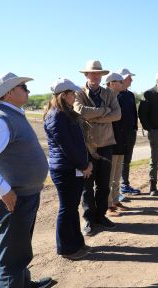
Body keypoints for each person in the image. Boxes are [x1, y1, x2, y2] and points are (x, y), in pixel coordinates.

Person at [0, 73, 52, 287]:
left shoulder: (12, 114)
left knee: (20, 249)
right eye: (23, 87)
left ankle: (24, 283)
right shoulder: (0, 119)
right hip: (14, 197)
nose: (28, 91)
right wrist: (3, 189)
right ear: (9, 92)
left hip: (23, 194)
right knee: (12, 258)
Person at [43, 78, 93, 260]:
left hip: (72, 167)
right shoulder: (56, 115)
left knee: (72, 207)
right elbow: (67, 147)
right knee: (67, 208)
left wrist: (85, 162)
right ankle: (66, 248)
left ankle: (77, 244)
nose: (75, 95)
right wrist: (83, 165)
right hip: (65, 169)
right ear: (64, 95)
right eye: (72, 93)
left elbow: (77, 143)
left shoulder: (66, 113)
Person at [74, 60, 121, 235]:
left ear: (102, 76)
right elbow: (80, 111)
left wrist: (93, 116)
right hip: (86, 147)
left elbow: (117, 115)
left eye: (98, 73)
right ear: (86, 75)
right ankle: (89, 219)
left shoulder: (110, 93)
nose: (95, 76)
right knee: (86, 187)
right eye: (92, 73)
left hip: (106, 144)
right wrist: (103, 111)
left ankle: (101, 216)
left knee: (103, 185)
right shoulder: (78, 92)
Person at [105, 72, 130, 217]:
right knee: (108, 175)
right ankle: (108, 205)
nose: (123, 83)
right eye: (120, 81)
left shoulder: (120, 97)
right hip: (110, 140)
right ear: (112, 83)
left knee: (116, 173)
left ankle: (115, 200)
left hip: (121, 140)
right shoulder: (106, 98)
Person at [118, 68, 141, 196]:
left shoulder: (130, 95)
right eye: (129, 78)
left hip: (130, 133)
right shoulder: (115, 94)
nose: (131, 80)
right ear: (122, 79)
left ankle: (124, 184)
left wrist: (134, 128)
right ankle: (119, 187)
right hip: (118, 134)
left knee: (127, 160)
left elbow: (133, 113)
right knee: (118, 161)